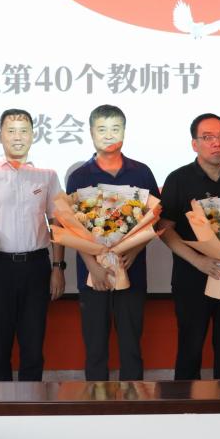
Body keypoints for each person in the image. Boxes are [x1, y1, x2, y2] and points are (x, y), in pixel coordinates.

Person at [0, 108, 65, 381]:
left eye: (24, 131)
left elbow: (57, 223)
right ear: (0, 135)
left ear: (33, 135)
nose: (17, 137)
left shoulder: (47, 175)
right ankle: (0, 402)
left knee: (33, 346)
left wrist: (58, 267)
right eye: (11, 131)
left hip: (36, 266)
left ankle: (32, 403)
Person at [66, 104, 159, 381]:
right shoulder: (79, 176)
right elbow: (72, 228)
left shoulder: (141, 173)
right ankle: (96, 403)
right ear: (91, 132)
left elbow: (154, 220)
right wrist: (92, 266)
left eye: (115, 128)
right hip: (93, 276)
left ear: (125, 131)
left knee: (132, 347)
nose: (109, 135)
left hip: (131, 271)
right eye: (102, 129)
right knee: (95, 349)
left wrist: (135, 249)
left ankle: (134, 401)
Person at [158, 113, 220, 380]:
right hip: (192, 278)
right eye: (208, 137)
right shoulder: (178, 179)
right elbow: (164, 229)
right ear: (195, 144)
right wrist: (198, 260)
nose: (217, 143)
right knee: (190, 350)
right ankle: (185, 403)